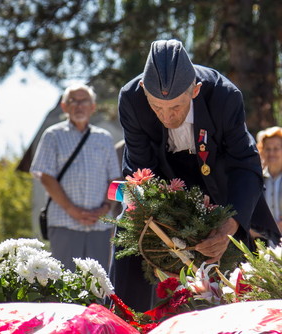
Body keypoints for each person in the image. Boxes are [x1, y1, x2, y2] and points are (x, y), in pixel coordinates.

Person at [115, 39, 281, 311]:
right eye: (157, 108)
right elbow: (140, 168)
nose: (166, 118)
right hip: (162, 180)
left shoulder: (224, 95)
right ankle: (127, 319)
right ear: (144, 90)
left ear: (195, 90)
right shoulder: (132, 99)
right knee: (129, 237)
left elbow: (245, 165)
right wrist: (164, 224)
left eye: (176, 108)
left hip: (222, 185)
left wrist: (230, 225)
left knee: (239, 273)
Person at [30, 83, 120, 272]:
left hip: (100, 225)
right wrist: (72, 209)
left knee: (98, 284)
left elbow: (114, 179)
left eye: (84, 101)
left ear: (93, 106)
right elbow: (46, 177)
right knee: (65, 285)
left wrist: (105, 207)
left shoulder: (104, 138)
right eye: (73, 101)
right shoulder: (52, 135)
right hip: (64, 222)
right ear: (64, 106)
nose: (79, 106)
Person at [256, 126, 282, 234]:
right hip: (265, 244)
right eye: (268, 149)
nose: (272, 153)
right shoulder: (257, 180)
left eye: (276, 148)